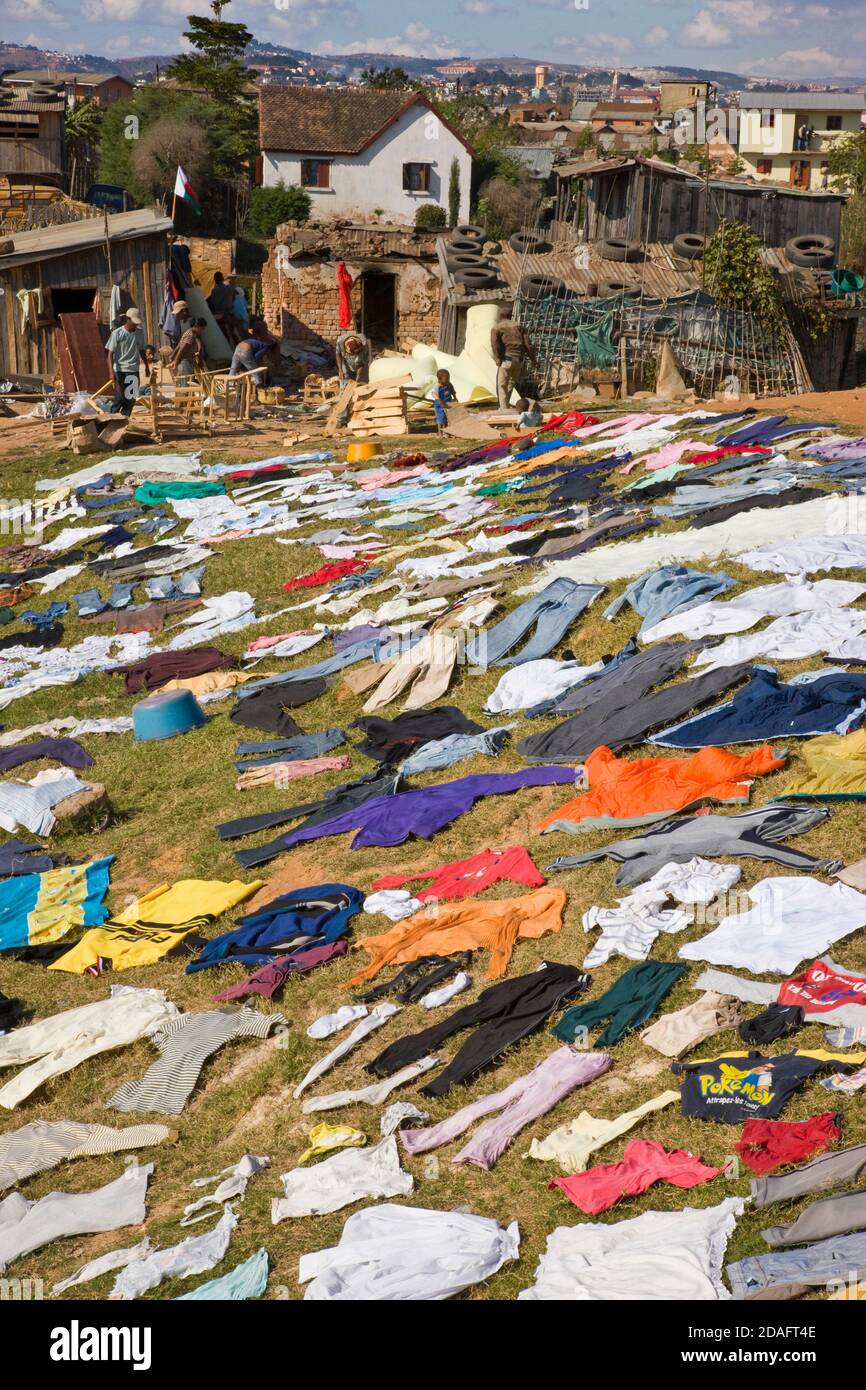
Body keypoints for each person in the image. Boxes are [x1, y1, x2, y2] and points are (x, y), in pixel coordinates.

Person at [490, 316, 537, 410]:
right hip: (518, 360)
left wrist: (498, 357)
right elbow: (528, 345)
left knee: (501, 385)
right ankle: (506, 407)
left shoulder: (497, 327)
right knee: (510, 384)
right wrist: (533, 360)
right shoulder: (519, 326)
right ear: (510, 316)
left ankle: (503, 409)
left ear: (501, 316)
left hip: (507, 359)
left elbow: (494, 342)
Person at [106, 308, 147, 416]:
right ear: (128, 320)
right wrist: (111, 373)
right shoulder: (117, 334)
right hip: (120, 370)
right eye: (133, 323)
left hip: (133, 370)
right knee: (119, 397)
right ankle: (111, 419)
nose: (135, 326)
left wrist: (147, 366)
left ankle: (124, 421)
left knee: (130, 399)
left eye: (136, 324)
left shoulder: (139, 333)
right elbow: (109, 355)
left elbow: (142, 350)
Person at [170, 317, 206, 382]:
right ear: (197, 326)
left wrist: (173, 355)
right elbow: (182, 348)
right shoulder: (190, 335)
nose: (203, 331)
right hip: (185, 362)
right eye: (202, 329)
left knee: (187, 382)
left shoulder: (193, 334)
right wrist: (176, 360)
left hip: (187, 361)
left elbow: (179, 345)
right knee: (185, 384)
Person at [432, 368, 457, 436]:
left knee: (448, 417)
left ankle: (446, 432)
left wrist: (454, 397)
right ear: (440, 379)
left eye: (448, 378)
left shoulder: (448, 384)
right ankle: (440, 433)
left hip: (448, 403)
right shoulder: (437, 386)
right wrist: (439, 400)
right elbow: (434, 394)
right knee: (441, 418)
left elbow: (452, 390)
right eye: (446, 379)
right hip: (440, 405)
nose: (448, 380)